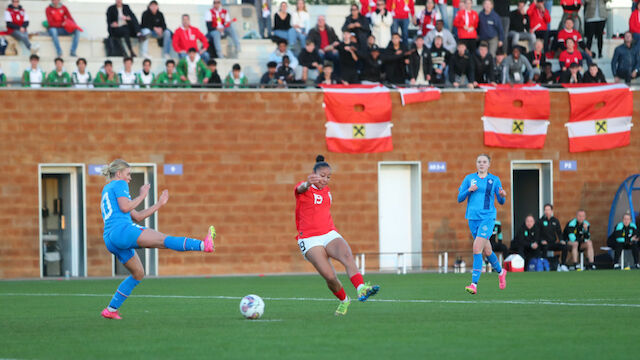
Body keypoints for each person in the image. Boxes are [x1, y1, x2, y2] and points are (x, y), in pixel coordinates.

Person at [99, 159, 215, 320]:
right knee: (163, 240)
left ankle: (111, 309)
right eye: (128, 174)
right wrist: (142, 195)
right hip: (122, 230)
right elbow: (126, 208)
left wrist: (159, 204)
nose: (130, 178)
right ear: (119, 174)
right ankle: (203, 245)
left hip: (110, 238)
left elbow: (137, 216)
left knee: (138, 273)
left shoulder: (107, 189)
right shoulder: (119, 184)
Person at [295, 155, 380, 315]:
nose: (325, 180)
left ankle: (361, 289)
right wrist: (307, 183)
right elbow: (300, 188)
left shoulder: (327, 192)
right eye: (322, 176)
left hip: (328, 233)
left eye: (328, 177)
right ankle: (344, 300)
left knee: (347, 255)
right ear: (314, 174)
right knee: (330, 276)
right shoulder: (304, 188)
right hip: (309, 238)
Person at [457, 154, 507, 294]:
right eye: (479, 161)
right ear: (476, 164)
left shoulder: (494, 180)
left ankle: (474, 284)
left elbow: (501, 201)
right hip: (472, 218)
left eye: (484, 162)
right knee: (487, 251)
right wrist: (468, 190)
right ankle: (501, 271)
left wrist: (502, 196)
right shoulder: (469, 179)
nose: (481, 164)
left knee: (476, 248)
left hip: (488, 218)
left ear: (489, 164)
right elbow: (459, 198)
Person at [538, 204, 568, 271]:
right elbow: (538, 234)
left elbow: (559, 232)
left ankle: (563, 265)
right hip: (544, 243)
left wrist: (561, 240)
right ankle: (544, 265)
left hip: (553, 243)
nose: (547, 211)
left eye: (548, 210)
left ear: (551, 211)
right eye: (545, 210)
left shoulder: (555, 221)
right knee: (544, 247)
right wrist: (541, 240)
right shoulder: (540, 221)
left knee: (565, 246)